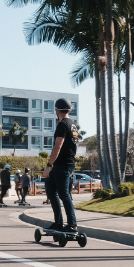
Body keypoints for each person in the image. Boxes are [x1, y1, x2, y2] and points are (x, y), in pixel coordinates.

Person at [44, 98, 79, 233]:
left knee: (64, 194)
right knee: (52, 191)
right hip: (68, 163)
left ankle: (72, 224)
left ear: (56, 110)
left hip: (62, 165)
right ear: (69, 110)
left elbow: (57, 146)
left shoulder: (62, 125)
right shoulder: (73, 125)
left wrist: (48, 165)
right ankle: (58, 223)